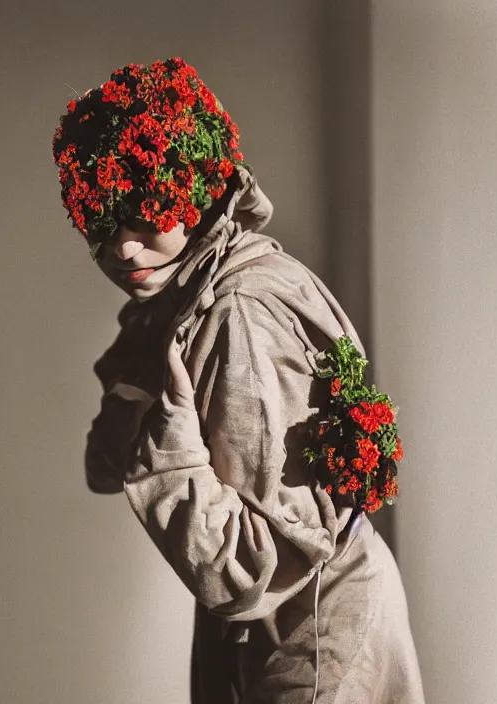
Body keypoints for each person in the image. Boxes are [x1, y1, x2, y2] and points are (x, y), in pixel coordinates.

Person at [52, 57, 425, 704]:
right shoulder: (189, 292)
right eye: (101, 222)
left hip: (310, 634)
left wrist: (168, 443)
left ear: (192, 196)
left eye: (144, 212)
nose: (122, 247)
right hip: (277, 627)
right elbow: (104, 463)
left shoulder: (238, 311)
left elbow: (255, 564)